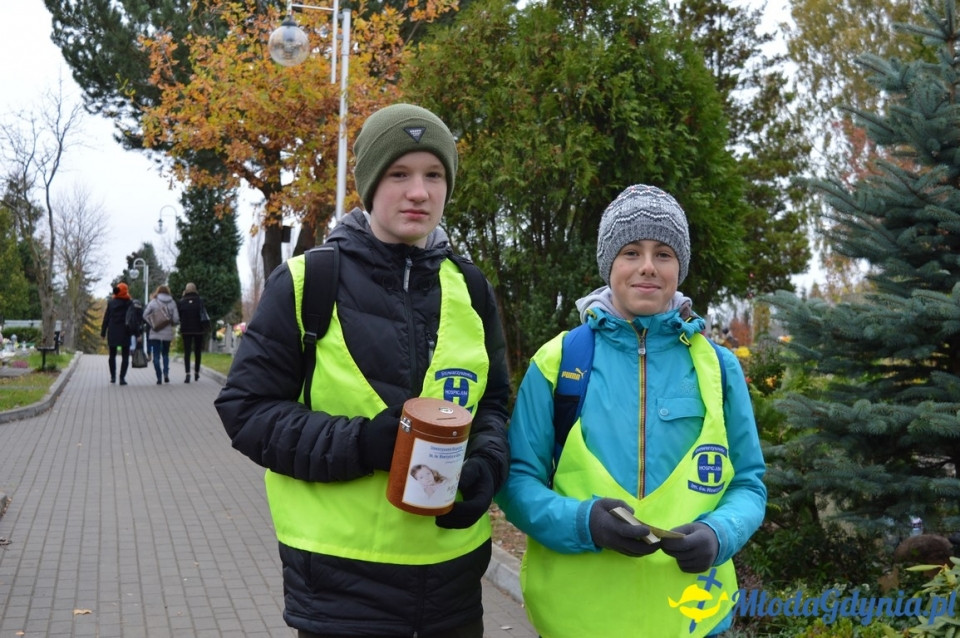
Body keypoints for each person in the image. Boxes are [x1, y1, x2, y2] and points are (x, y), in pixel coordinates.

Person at [215, 103, 510, 637]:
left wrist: (486, 464)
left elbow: (492, 405)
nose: (418, 192)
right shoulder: (308, 281)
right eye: (399, 173)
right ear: (370, 184)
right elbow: (246, 412)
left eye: (434, 175)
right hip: (340, 586)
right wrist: (365, 445)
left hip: (453, 584)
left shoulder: (471, 288)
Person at [496, 184, 767, 638]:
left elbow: (748, 483)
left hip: (694, 622)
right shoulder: (559, 360)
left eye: (663, 252)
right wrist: (585, 524)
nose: (647, 266)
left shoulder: (718, 367)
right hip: (575, 622)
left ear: (679, 264)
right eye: (630, 251)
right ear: (609, 264)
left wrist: (720, 534)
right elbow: (516, 482)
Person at [143, 284, 180, 385]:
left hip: (155, 333)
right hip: (167, 333)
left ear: (158, 292)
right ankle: (166, 373)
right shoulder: (172, 303)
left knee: (156, 356)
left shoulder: (153, 302)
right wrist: (171, 322)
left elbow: (145, 314)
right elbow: (176, 319)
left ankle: (159, 377)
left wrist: (152, 322)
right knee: (165, 354)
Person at [100, 283, 133, 385]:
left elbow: (106, 318)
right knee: (125, 356)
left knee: (112, 355)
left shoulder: (111, 303)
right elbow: (132, 318)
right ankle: (122, 378)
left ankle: (113, 376)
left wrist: (103, 332)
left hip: (113, 331)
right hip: (125, 331)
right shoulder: (129, 303)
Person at [177, 282, 208, 383]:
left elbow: (179, 316)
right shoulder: (200, 301)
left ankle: (187, 374)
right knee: (197, 351)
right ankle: (196, 373)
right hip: (198, 329)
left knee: (187, 352)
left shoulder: (182, 301)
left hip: (186, 330)